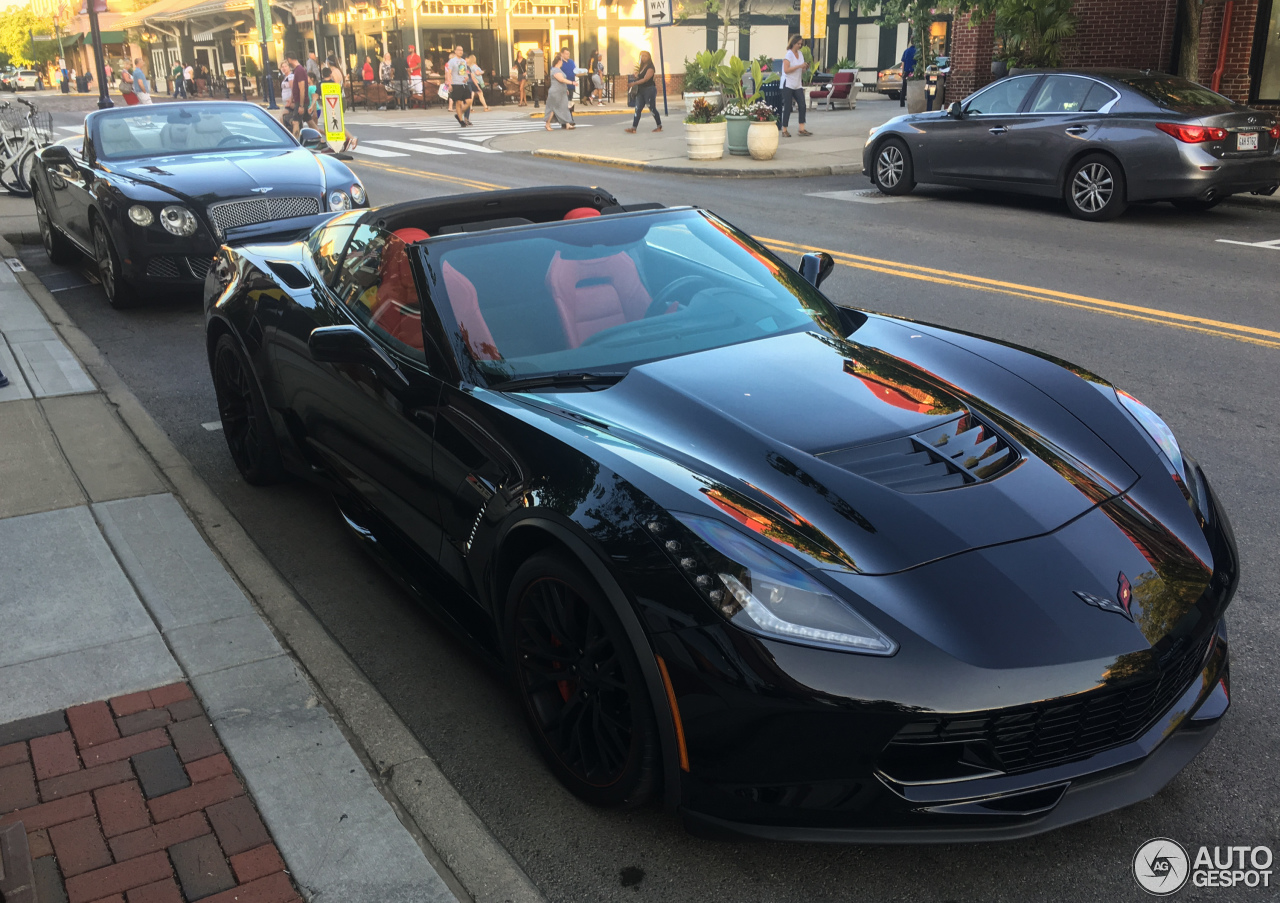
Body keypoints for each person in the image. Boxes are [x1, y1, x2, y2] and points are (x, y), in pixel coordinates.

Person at [779, 34, 810, 137]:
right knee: (787, 106)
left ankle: (802, 128)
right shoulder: (788, 55)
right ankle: (784, 129)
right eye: (798, 43)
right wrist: (799, 66)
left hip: (797, 84)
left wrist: (804, 67)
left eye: (801, 44)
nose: (799, 46)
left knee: (802, 105)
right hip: (788, 83)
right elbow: (786, 70)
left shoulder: (800, 54)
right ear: (793, 43)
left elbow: (802, 69)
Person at [624, 50, 660, 133]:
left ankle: (659, 125)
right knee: (638, 108)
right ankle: (634, 128)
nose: (643, 58)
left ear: (649, 57)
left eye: (645, 56)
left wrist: (634, 83)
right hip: (641, 90)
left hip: (649, 89)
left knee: (652, 108)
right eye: (642, 56)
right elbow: (640, 77)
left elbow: (646, 79)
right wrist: (636, 75)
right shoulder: (642, 66)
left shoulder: (650, 67)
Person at [544, 55, 575, 130]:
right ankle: (547, 124)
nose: (562, 63)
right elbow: (561, 80)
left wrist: (566, 89)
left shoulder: (559, 70)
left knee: (564, 107)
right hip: (556, 92)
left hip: (562, 92)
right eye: (562, 61)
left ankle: (567, 124)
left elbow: (562, 82)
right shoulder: (555, 70)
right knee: (553, 108)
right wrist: (572, 82)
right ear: (559, 61)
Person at [446, 46, 472, 127]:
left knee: (469, 101)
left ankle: (459, 114)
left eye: (462, 50)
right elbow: (448, 73)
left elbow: (463, 71)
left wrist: (466, 76)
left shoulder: (463, 61)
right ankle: (461, 120)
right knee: (458, 102)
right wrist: (449, 84)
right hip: (456, 83)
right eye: (459, 50)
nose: (461, 52)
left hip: (463, 83)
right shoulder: (452, 61)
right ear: (455, 51)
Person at [900, 38, 917, 108]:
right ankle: (914, 101)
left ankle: (902, 102)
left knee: (904, 87)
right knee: (914, 87)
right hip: (915, 71)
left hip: (907, 71)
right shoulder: (917, 51)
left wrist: (903, 72)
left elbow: (903, 63)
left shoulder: (906, 51)